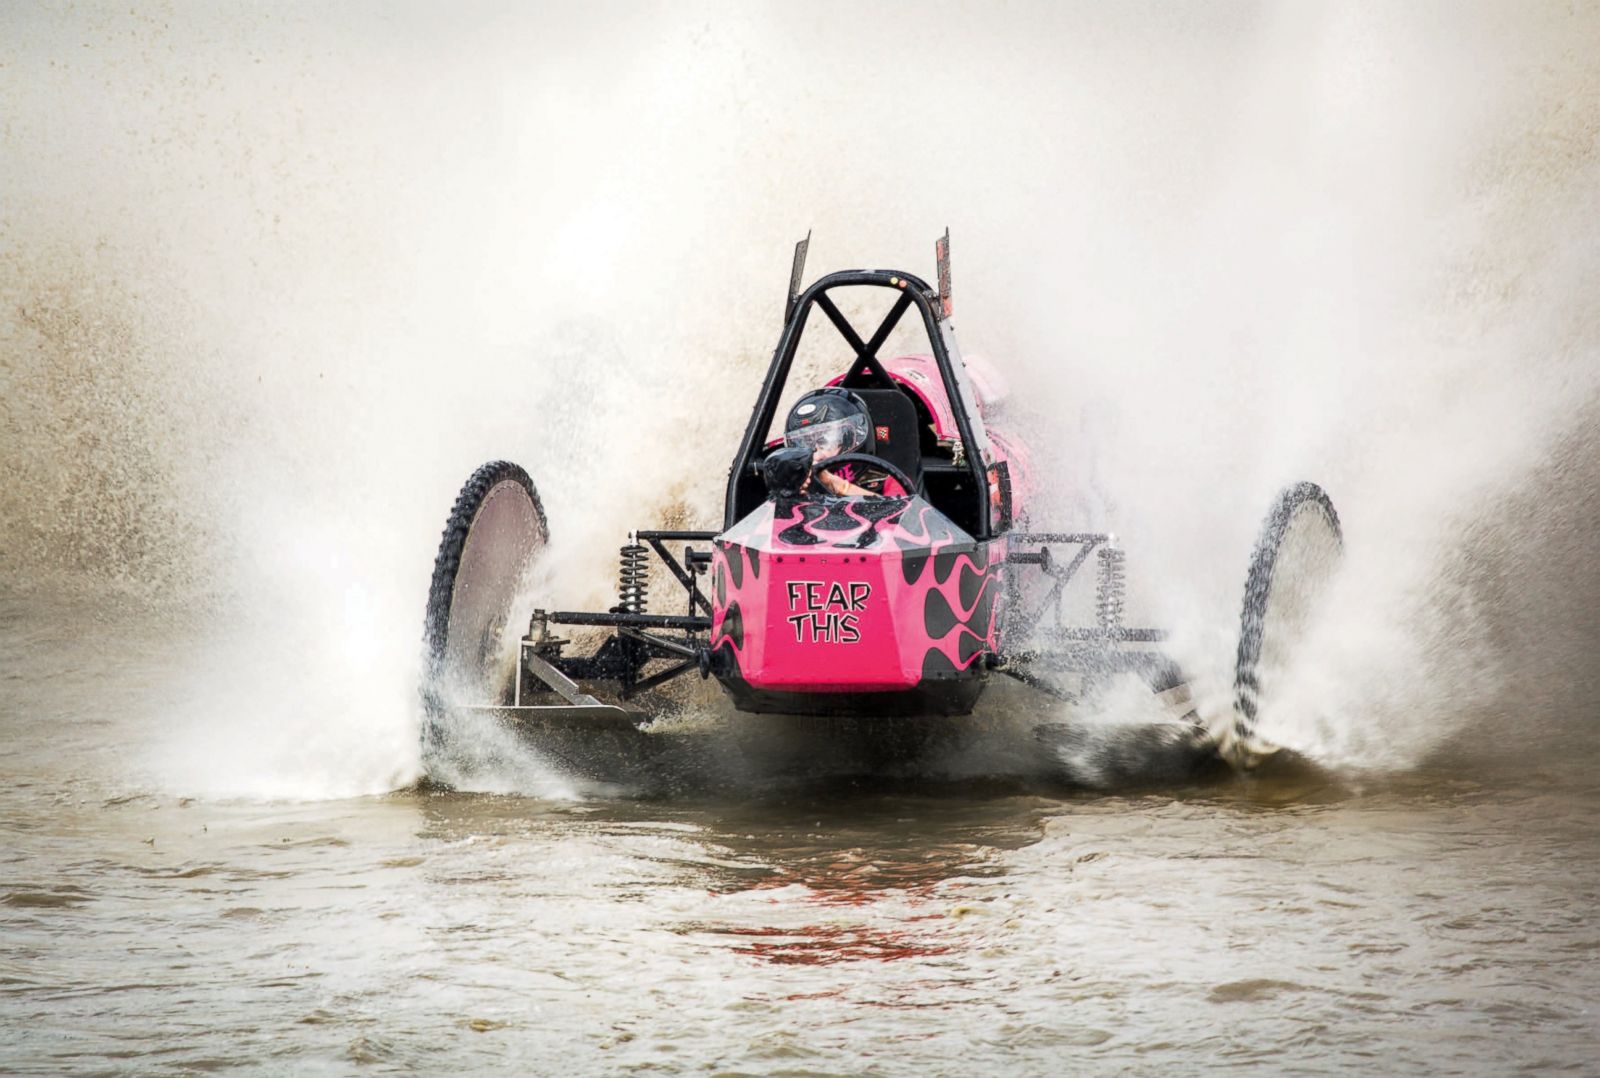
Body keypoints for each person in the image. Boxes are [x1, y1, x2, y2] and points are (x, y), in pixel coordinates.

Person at [774, 387, 904, 498]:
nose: (816, 456)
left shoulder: (892, 479)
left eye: (825, 442)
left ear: (849, 440)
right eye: (804, 445)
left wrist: (836, 485)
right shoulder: (797, 483)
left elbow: (904, 517)